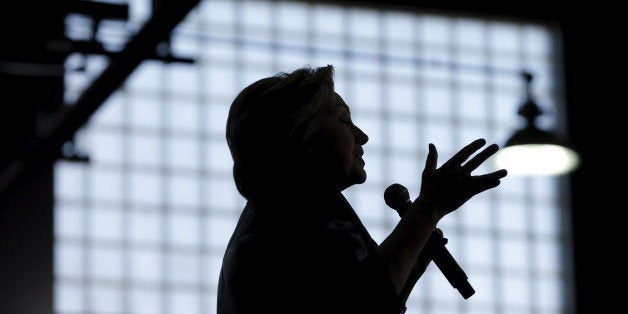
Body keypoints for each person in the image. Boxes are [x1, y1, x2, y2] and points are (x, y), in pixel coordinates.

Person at [217, 65, 507, 314]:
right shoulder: (295, 216)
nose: (362, 136)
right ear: (298, 132)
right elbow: (362, 305)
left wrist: (410, 260)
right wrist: (425, 212)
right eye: (343, 120)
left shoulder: (282, 213)